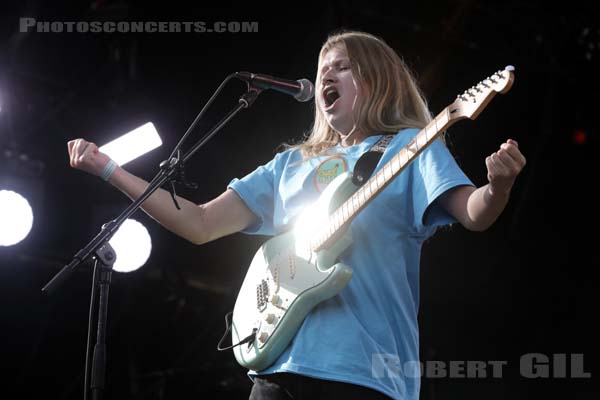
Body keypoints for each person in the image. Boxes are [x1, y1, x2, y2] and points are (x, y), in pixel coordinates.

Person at [67, 30, 526, 400]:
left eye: (342, 66)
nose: (328, 74)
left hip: (364, 371)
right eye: (323, 69)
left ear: (378, 78)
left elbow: (473, 212)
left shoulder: (412, 144)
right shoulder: (291, 164)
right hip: (278, 368)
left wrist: (497, 185)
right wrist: (110, 170)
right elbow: (200, 223)